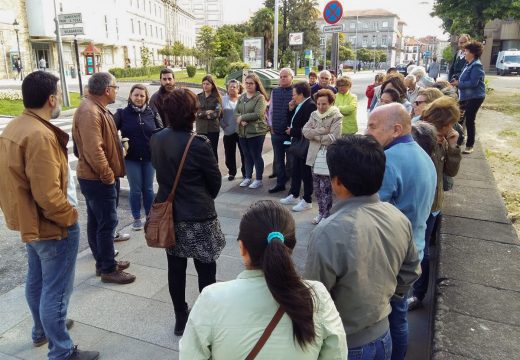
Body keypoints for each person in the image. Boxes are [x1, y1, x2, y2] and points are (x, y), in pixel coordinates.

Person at [0, 71, 99, 360]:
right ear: (52, 99)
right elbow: (48, 194)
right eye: (58, 93)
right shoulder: (39, 134)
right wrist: (69, 217)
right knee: (55, 291)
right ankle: (62, 351)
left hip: (32, 223)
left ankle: (42, 330)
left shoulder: (15, 127)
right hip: (52, 226)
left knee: (37, 281)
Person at [180, 200, 348, 359]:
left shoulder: (211, 298)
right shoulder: (317, 296)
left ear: (242, 248)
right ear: (290, 247)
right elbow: (337, 354)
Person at [305, 135, 420, 360]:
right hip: (383, 334)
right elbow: (411, 271)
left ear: (336, 181)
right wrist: (385, 298)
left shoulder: (328, 232)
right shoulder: (397, 217)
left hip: (346, 344)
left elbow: (314, 300)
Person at [150, 88, 225, 337]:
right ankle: (205, 318)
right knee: (206, 268)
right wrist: (202, 197)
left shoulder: (157, 138)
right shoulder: (199, 143)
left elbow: (159, 170)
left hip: (171, 216)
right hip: (198, 215)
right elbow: (214, 182)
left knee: (176, 267)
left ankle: (180, 317)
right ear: (192, 113)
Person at [366, 103, 436, 360]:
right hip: (413, 247)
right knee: (399, 314)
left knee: (392, 316)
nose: (367, 131)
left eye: (373, 126)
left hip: (392, 255)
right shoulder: (422, 154)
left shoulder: (389, 160)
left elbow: (372, 211)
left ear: (396, 129)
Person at [73, 72, 135, 285]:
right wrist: (108, 175)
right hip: (98, 179)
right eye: (116, 87)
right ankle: (108, 268)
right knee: (107, 222)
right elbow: (93, 149)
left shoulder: (95, 108)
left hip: (96, 177)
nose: (117, 90)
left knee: (99, 221)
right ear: (107, 90)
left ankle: (104, 262)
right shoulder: (90, 111)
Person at [408, 97, 462, 310]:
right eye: (443, 126)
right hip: (415, 201)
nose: (447, 130)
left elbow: (451, 172)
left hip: (433, 204)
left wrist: (453, 146)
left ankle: (418, 293)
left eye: (449, 125)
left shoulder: (448, 136)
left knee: (423, 250)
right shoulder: (417, 133)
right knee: (410, 248)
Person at [113, 84, 162, 231]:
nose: (139, 98)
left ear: (146, 97)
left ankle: (149, 216)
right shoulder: (122, 113)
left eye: (142, 95)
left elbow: (161, 131)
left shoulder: (152, 112)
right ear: (130, 96)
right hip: (131, 158)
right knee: (135, 190)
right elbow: (109, 131)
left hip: (149, 158)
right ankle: (136, 217)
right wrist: (119, 144)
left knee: (147, 189)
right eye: (136, 95)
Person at [303, 89, 342, 223]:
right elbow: (305, 132)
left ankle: (326, 214)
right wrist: (323, 131)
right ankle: (320, 212)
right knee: (317, 188)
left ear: (331, 103)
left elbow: (334, 137)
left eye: (324, 104)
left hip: (327, 157)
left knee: (326, 188)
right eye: (318, 103)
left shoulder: (336, 116)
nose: (320, 107)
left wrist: (314, 135)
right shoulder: (314, 114)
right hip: (314, 156)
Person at [280, 82, 316, 211]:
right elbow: (293, 121)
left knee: (305, 173)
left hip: (305, 145)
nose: (293, 97)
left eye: (294, 94)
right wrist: (290, 109)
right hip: (297, 144)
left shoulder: (310, 106)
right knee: (295, 170)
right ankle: (294, 194)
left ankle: (307, 199)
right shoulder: (300, 104)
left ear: (301, 94)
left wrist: (292, 131)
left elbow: (308, 128)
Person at [450, 40, 486, 154]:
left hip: (475, 97)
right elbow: (464, 78)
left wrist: (458, 84)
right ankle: (459, 140)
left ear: (472, 53)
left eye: (466, 51)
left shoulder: (476, 66)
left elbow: (473, 83)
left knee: (470, 120)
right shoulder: (468, 64)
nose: (464, 53)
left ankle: (470, 145)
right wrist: (457, 79)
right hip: (466, 97)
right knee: (458, 118)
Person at [235, 73, 269, 189]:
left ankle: (258, 179)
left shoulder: (260, 98)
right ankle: (248, 177)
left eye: (251, 83)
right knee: (246, 156)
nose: (249, 85)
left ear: (256, 84)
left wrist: (242, 118)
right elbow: (236, 112)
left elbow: (258, 113)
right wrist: (240, 119)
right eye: (247, 83)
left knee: (256, 155)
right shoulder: (242, 97)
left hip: (256, 132)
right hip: (242, 131)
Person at [268, 68, 294, 194]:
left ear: (291, 78)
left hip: (289, 134)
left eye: (285, 76)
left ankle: (293, 187)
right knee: (278, 160)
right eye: (281, 76)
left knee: (291, 160)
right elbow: (271, 110)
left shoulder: (296, 91)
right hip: (276, 132)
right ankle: (280, 183)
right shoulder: (275, 91)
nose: (282, 78)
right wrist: (271, 126)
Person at [221, 79, 245, 181]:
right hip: (228, 131)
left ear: (238, 89)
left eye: (234, 87)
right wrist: (224, 126)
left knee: (244, 152)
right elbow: (218, 115)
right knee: (229, 153)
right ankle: (232, 172)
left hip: (241, 131)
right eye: (230, 86)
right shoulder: (222, 99)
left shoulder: (243, 99)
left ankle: (245, 172)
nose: (232, 88)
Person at [196, 74, 222, 161]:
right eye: (203, 84)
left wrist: (201, 114)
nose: (205, 86)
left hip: (212, 129)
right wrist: (207, 112)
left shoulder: (217, 98)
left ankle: (214, 172)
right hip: (200, 129)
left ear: (212, 85)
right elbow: (196, 113)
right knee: (201, 152)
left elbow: (216, 114)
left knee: (212, 151)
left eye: (207, 84)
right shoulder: (198, 97)